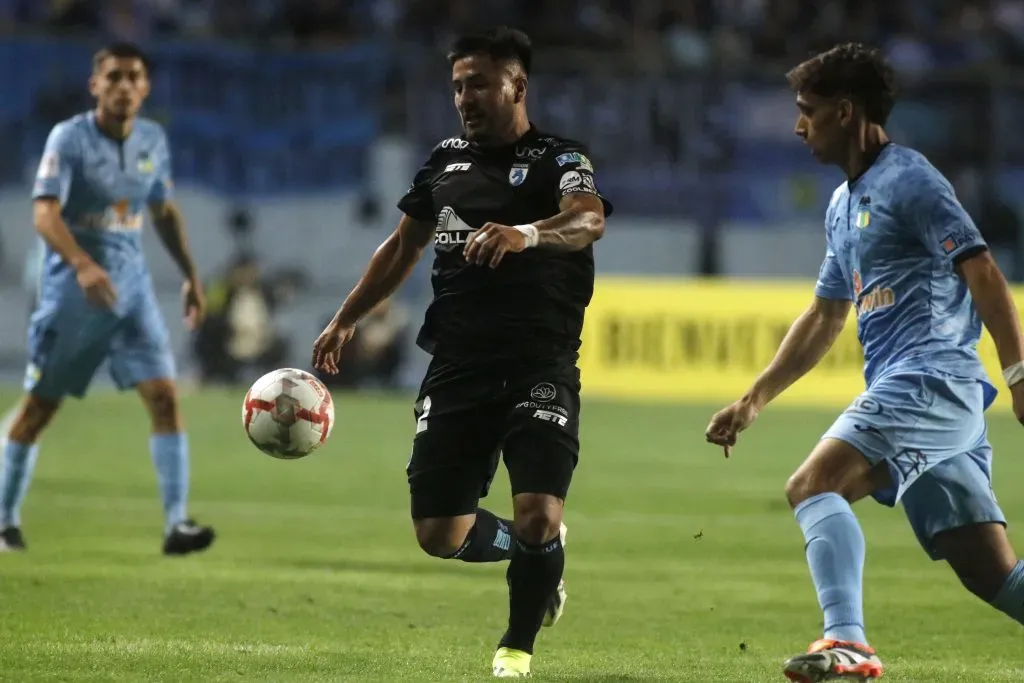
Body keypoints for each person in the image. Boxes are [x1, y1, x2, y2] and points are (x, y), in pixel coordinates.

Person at [705, 43, 1024, 682]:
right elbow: (826, 314)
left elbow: (983, 268)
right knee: (991, 574)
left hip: (929, 379)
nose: (799, 126)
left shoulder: (912, 181)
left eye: (808, 111)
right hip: (924, 396)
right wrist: (755, 397)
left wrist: (1019, 373)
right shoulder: (843, 204)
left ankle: (847, 642)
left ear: (845, 112)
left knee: (812, 485)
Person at [312, 27, 611, 679]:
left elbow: (589, 218)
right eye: (456, 85)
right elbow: (400, 248)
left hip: (540, 362)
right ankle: (534, 549)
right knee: (438, 532)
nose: (464, 98)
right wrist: (346, 318)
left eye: (478, 83)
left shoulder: (560, 158)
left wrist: (527, 233)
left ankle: (516, 646)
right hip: (457, 365)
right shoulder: (444, 162)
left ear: (516, 85)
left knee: (539, 508)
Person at [0, 42, 215, 556]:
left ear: (145, 88)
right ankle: (4, 519)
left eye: (132, 77)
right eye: (113, 76)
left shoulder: (151, 140)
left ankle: (176, 524)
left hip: (132, 289)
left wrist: (191, 275)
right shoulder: (69, 139)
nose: (123, 86)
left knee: (164, 397)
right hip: (73, 294)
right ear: (95, 85)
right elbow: (45, 214)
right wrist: (82, 264)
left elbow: (163, 211)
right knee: (39, 409)